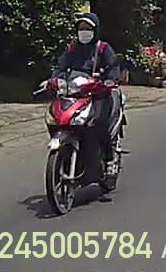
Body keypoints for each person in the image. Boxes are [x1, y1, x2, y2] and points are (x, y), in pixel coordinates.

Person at [51, 12, 121, 182]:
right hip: (76, 93)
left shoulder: (103, 48)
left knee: (100, 123)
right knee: (57, 118)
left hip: (99, 95)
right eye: (81, 28)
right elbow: (61, 67)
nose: (84, 31)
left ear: (95, 30)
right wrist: (54, 80)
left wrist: (110, 80)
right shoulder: (73, 48)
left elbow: (113, 68)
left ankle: (109, 159)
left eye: (88, 28)